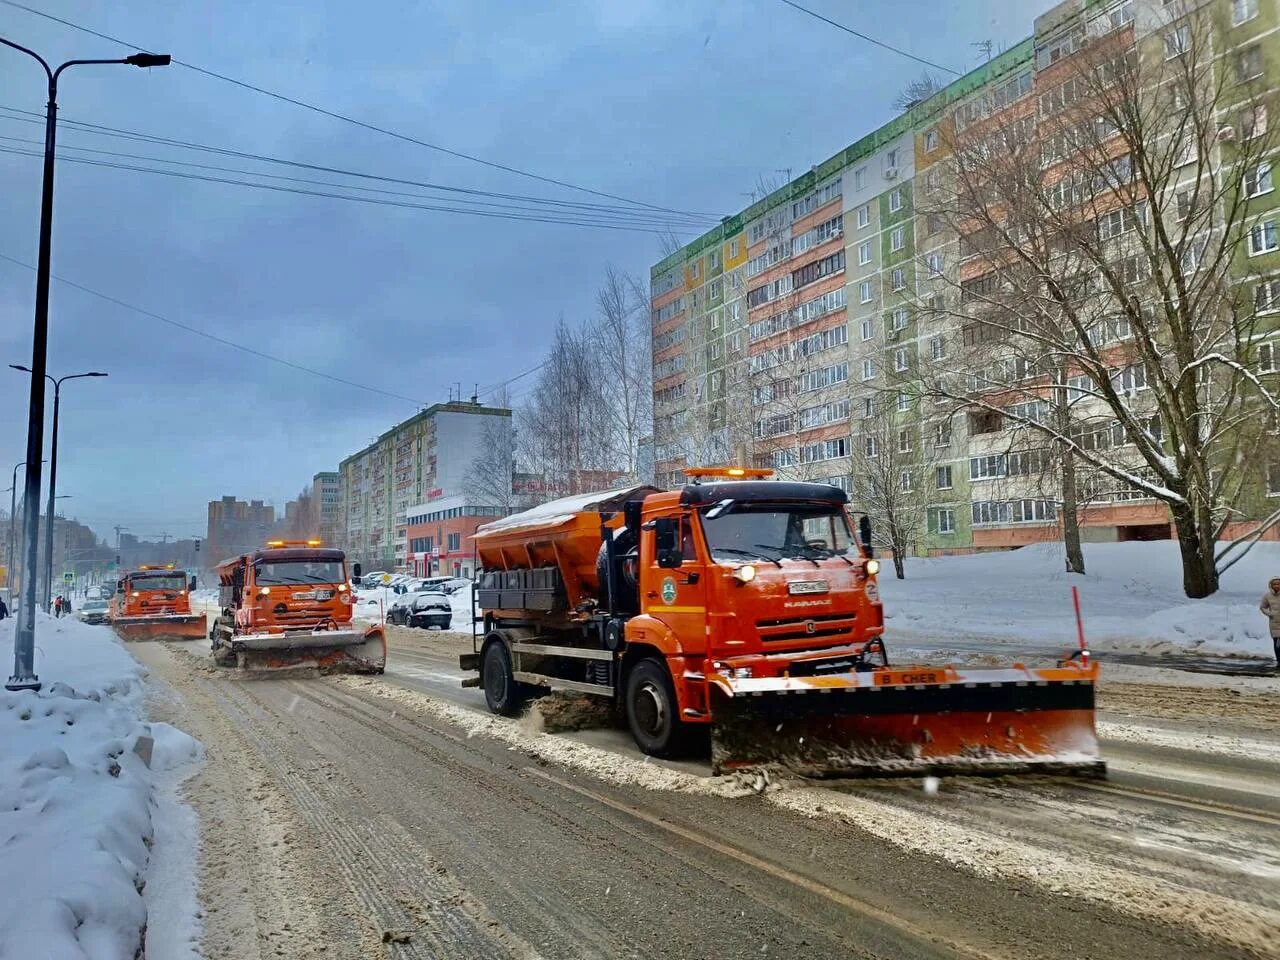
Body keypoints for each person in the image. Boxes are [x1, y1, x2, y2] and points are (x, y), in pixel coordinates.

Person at [1260, 578, 1280, 671]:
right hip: (1274, 623)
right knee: (1277, 644)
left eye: (1278, 584)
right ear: (1271, 585)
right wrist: (1269, 614)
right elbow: (1263, 607)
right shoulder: (1267, 596)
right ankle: (1279, 662)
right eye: (1274, 584)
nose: (1276, 586)